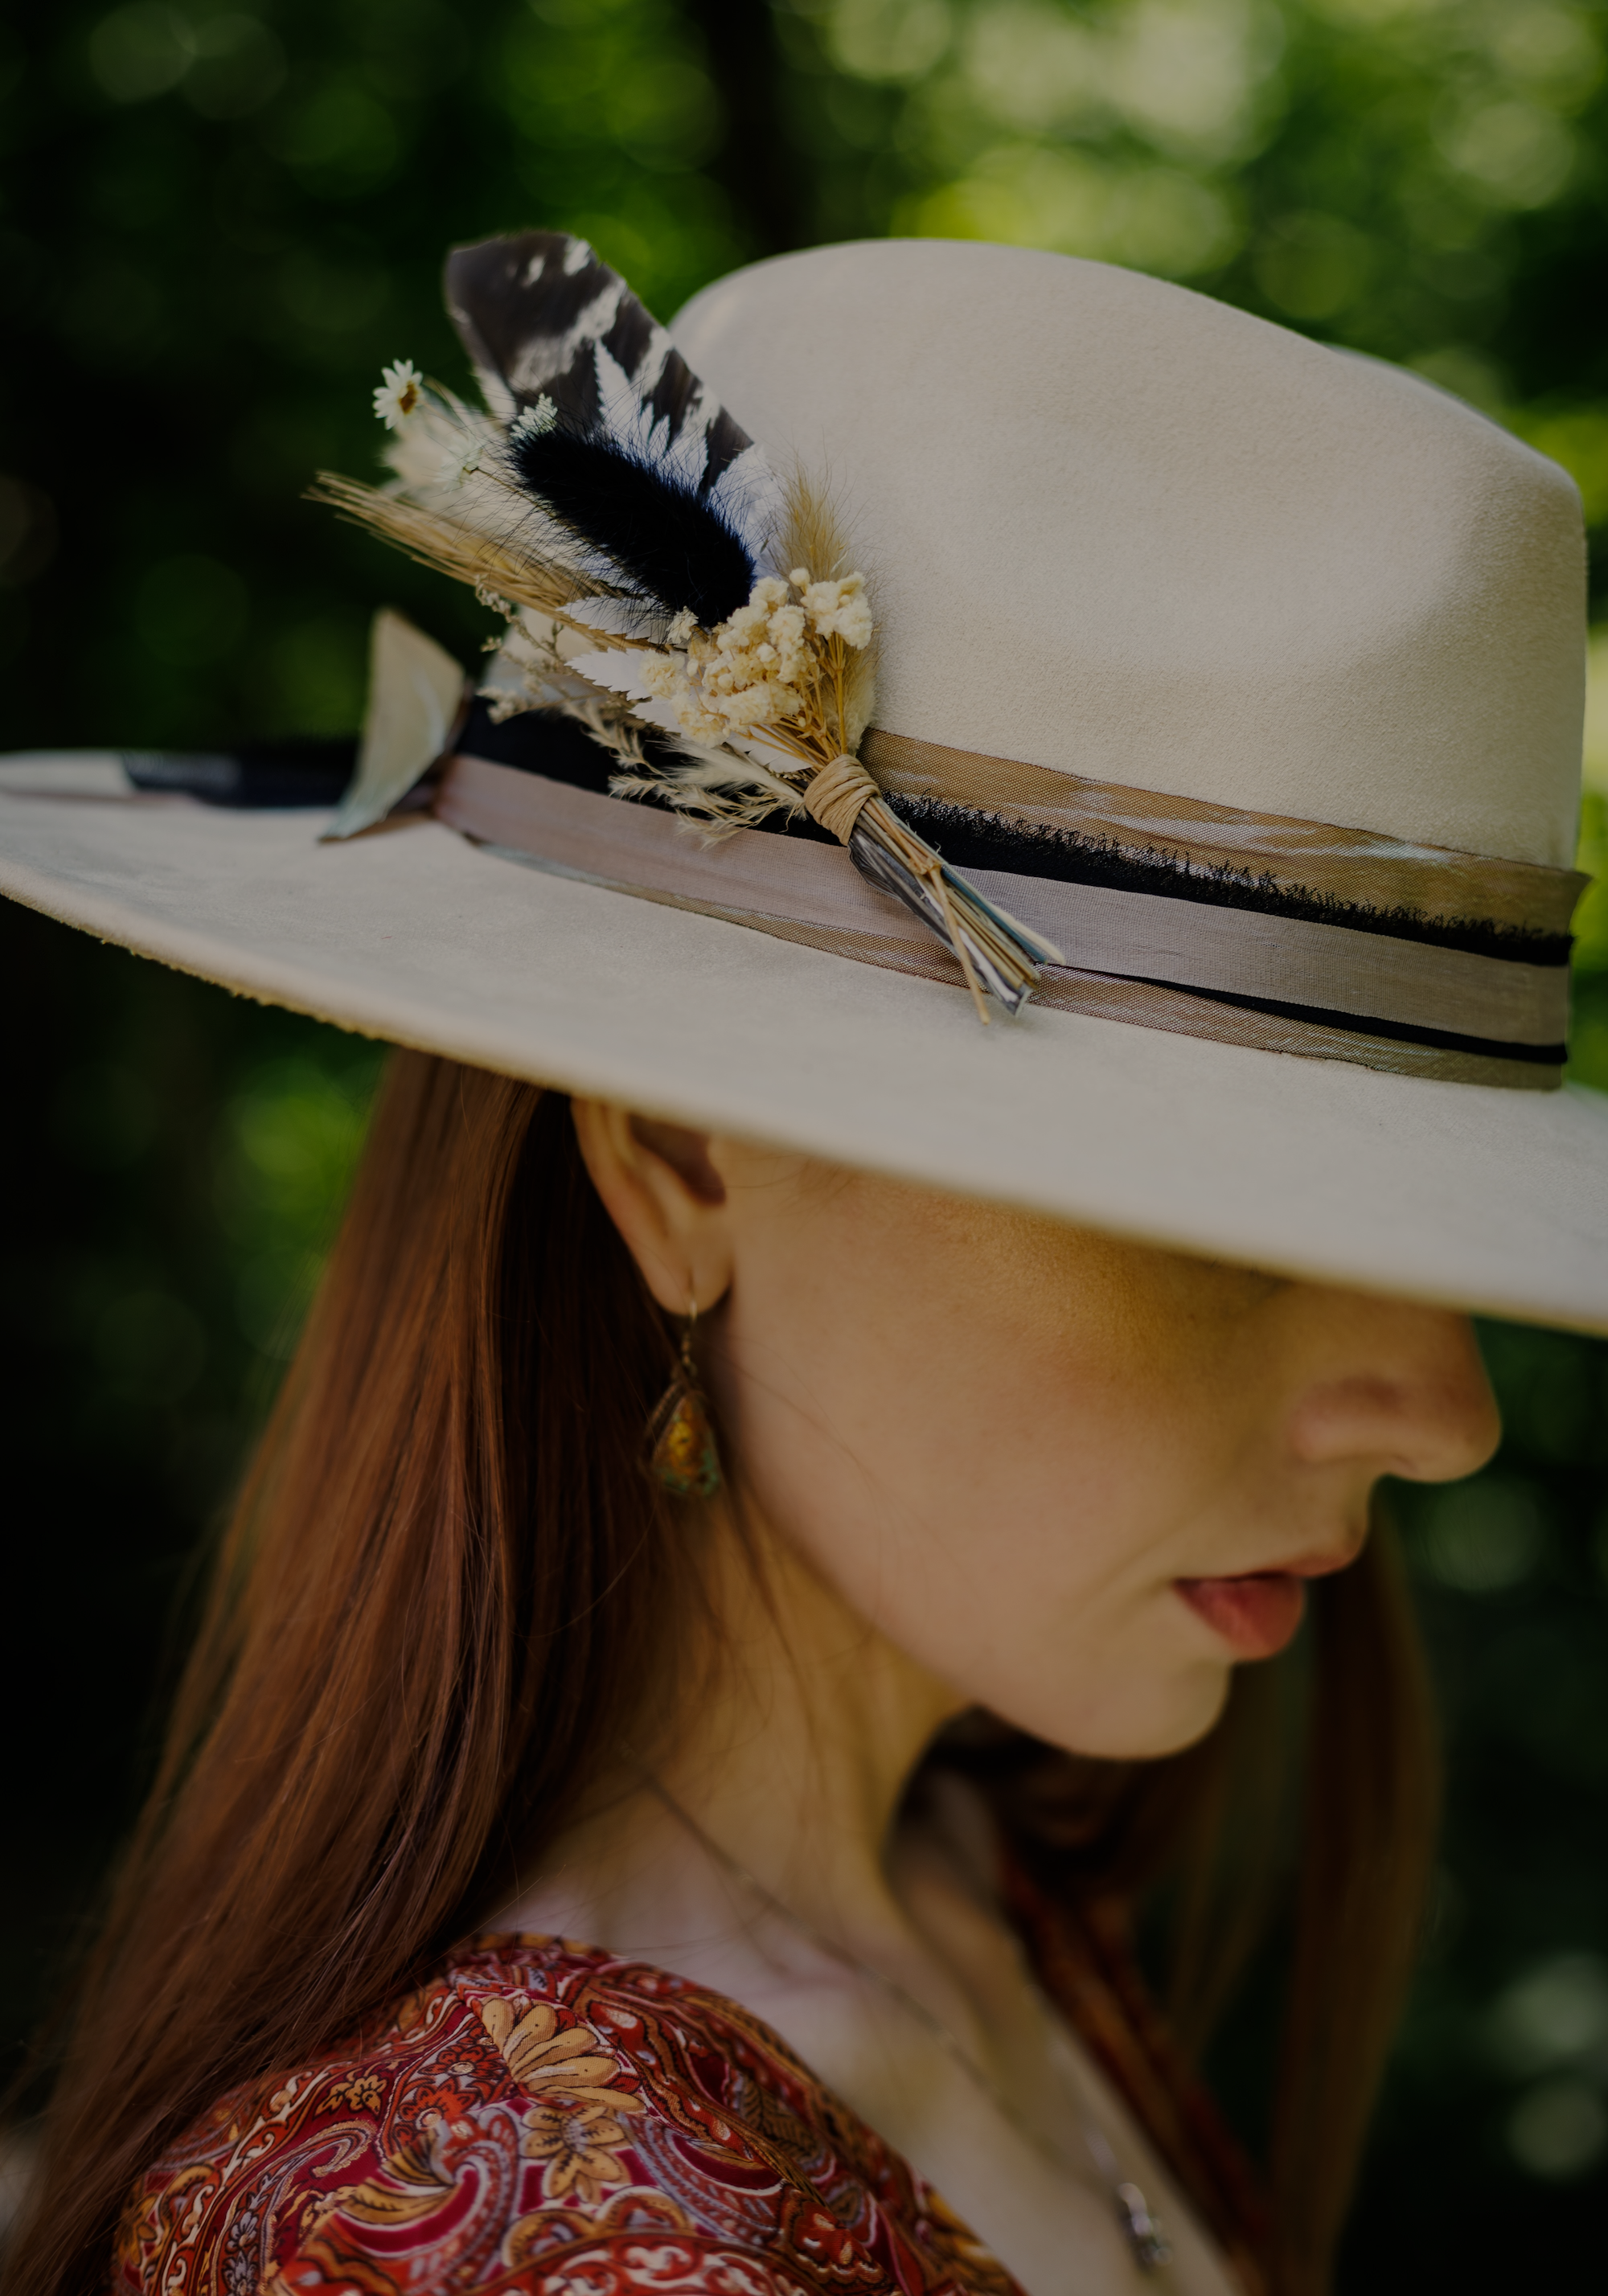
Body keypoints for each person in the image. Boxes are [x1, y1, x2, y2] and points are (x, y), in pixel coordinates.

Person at [2, 234, 1602, 2296]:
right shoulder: (461, 2239)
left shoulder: (975, 1904)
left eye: (1405, 1228)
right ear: (677, 1162)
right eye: (1227, 1231)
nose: (1449, 1418)